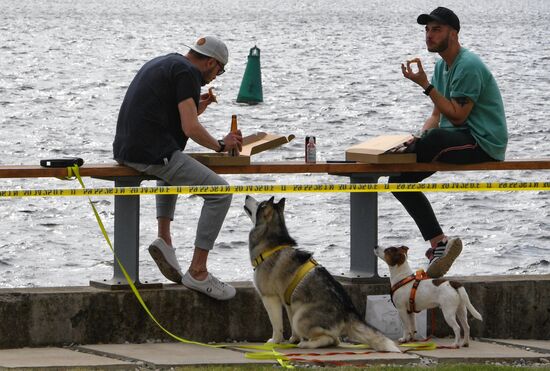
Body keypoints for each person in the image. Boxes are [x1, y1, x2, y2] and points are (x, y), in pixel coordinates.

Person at [113, 36, 243, 300]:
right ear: (210, 62)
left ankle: (165, 239)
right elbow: (190, 128)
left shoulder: (167, 61)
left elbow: (172, 115)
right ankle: (198, 271)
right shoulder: (189, 73)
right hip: (149, 153)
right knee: (220, 192)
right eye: (220, 70)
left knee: (172, 165)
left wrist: (196, 108)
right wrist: (220, 145)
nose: (216, 77)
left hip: (127, 149)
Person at [391, 7, 508, 278]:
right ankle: (439, 243)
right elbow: (436, 115)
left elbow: (456, 117)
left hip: (482, 142)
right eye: (427, 30)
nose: (429, 36)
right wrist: (417, 139)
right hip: (453, 140)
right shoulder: (442, 65)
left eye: (436, 30)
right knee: (397, 180)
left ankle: (411, 151)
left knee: (433, 139)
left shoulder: (468, 65)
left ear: (453, 34)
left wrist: (425, 85)